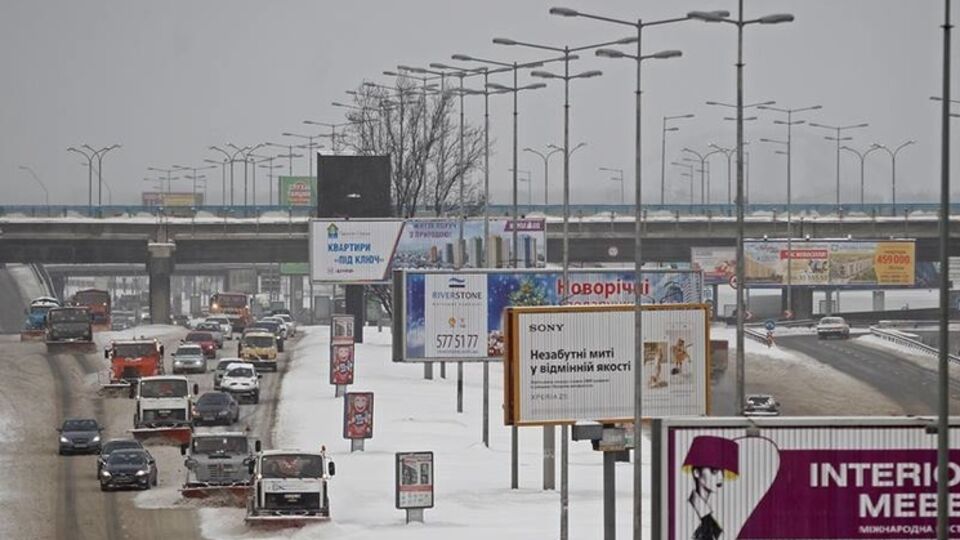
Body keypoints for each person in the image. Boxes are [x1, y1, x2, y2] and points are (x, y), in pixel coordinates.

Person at [682, 436, 739, 540]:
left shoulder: (710, 517)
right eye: (714, 471)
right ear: (696, 473)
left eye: (722, 472)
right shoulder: (687, 512)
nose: (721, 477)